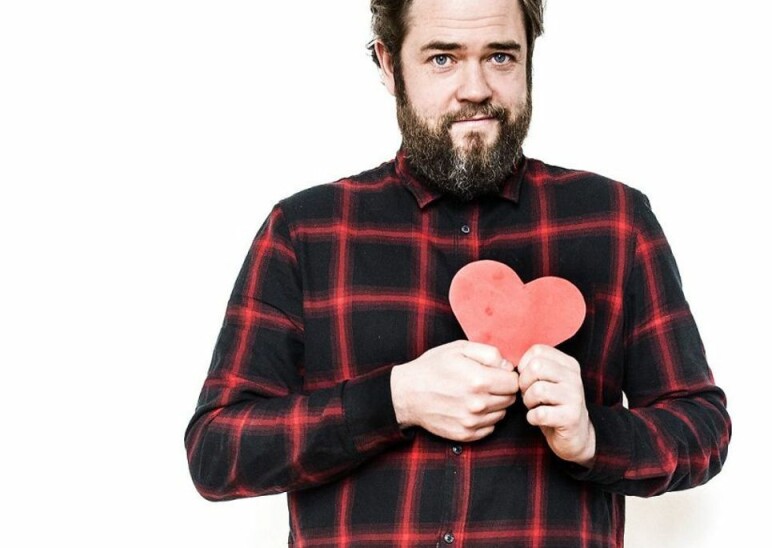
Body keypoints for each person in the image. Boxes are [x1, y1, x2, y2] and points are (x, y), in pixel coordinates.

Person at [185, 0, 731, 546]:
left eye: (499, 56)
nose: (475, 88)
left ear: (529, 60)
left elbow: (703, 429)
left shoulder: (615, 222)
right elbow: (216, 453)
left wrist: (594, 436)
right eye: (442, 59)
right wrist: (394, 400)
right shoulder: (305, 231)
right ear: (389, 65)